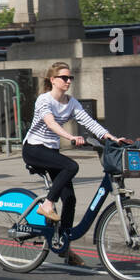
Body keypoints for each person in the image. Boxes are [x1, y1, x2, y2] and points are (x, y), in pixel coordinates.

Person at [22, 62, 129, 267]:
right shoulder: (44, 100)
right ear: (53, 80)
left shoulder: (71, 103)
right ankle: (47, 204)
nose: (68, 81)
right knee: (71, 166)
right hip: (34, 149)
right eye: (64, 78)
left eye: (70, 78)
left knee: (70, 198)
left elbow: (89, 122)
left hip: (50, 151)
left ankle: (65, 247)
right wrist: (71, 137)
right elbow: (51, 123)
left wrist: (112, 138)